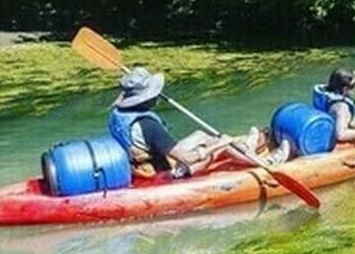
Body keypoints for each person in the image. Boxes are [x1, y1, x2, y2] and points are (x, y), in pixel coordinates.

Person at [108, 67, 290, 179]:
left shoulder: (118, 115)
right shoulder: (149, 126)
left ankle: (246, 146)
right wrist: (220, 144)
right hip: (167, 174)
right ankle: (267, 161)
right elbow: (187, 159)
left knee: (200, 135)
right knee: (220, 145)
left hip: (142, 168)